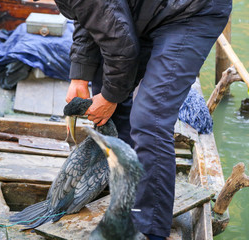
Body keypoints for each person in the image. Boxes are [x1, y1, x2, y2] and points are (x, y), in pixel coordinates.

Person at [53, 0, 232, 239]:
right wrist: (80, 75)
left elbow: (120, 45)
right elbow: (89, 16)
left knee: (150, 119)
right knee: (108, 96)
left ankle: (150, 228)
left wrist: (110, 96)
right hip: (143, 13)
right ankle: (126, 187)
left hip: (190, 13)